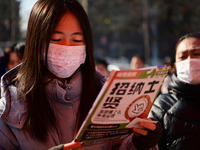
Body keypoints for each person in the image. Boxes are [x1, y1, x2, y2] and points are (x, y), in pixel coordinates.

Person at [0, 0, 162, 149]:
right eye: (56, 39)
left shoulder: (106, 93)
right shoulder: (11, 106)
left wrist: (140, 142)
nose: (67, 48)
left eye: (76, 40)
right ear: (36, 43)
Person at [149, 31, 200, 149]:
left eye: (196, 54)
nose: (189, 61)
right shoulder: (162, 105)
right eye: (183, 57)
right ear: (176, 66)